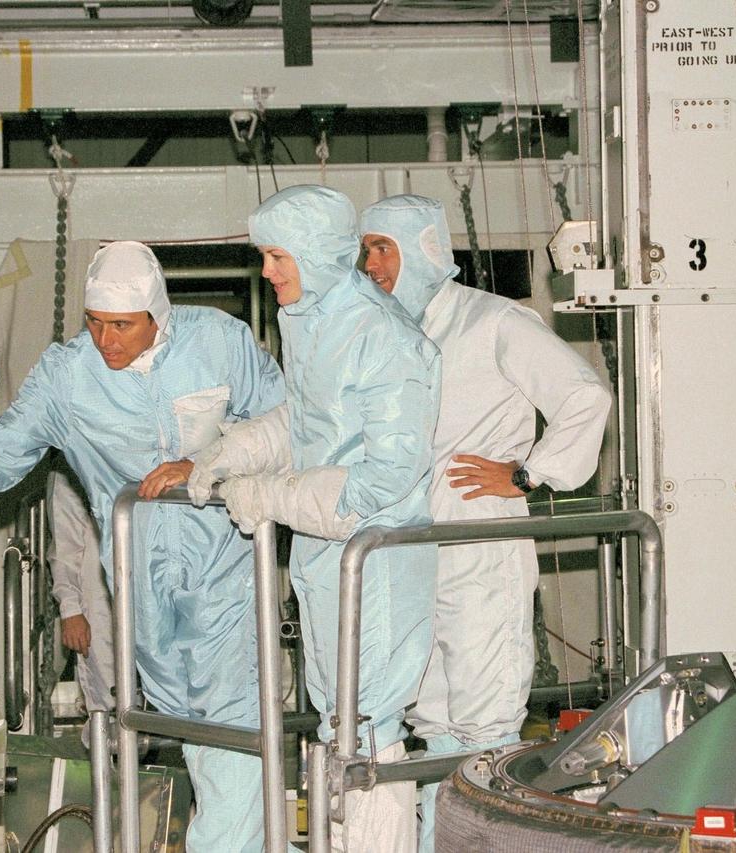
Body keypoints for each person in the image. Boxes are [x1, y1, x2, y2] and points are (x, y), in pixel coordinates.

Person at [0, 241, 286, 850]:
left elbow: (286, 423)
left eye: (122, 325)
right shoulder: (67, 377)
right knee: (192, 729)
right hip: (139, 582)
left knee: (233, 722)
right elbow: (3, 449)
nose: (106, 340)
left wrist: (212, 460)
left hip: (226, 566)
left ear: (159, 314)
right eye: (95, 323)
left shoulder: (219, 344)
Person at [190, 185, 442, 851]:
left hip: (375, 568)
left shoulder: (382, 336)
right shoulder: (315, 320)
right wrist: (233, 450)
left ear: (318, 254)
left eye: (277, 256)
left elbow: (385, 477)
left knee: (368, 732)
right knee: (340, 725)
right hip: (329, 566)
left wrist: (272, 495)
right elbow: (307, 421)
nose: (267, 272)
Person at [359, 194, 613, 851]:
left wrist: (530, 473)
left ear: (424, 249)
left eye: (384, 247)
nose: (371, 263)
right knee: (433, 719)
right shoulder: (385, 333)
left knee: (487, 724)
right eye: (365, 249)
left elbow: (585, 394)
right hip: (410, 550)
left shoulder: (493, 320)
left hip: (480, 546)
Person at [46, 461, 114, 721]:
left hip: (140, 593)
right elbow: (65, 550)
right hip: (97, 601)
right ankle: (105, 757)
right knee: (107, 698)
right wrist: (70, 610)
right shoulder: (68, 471)